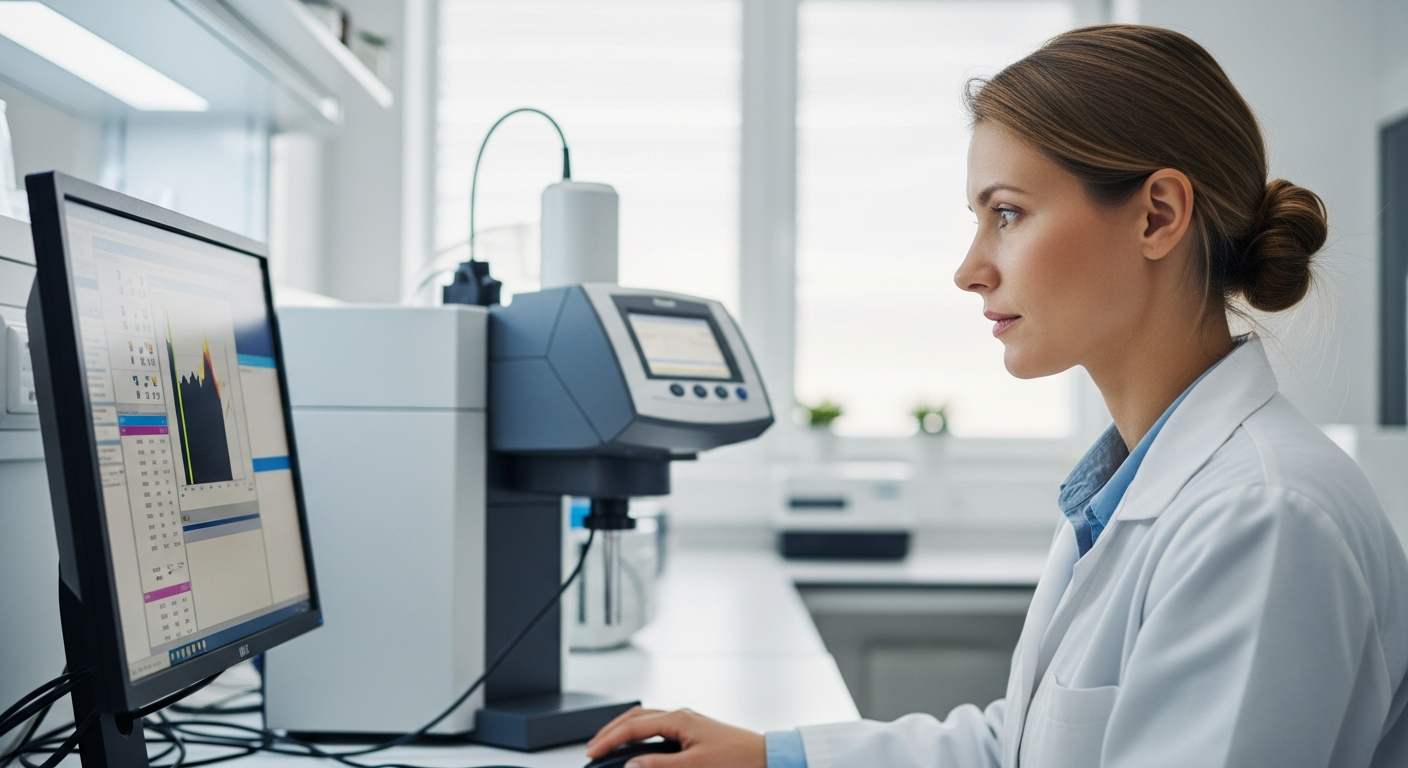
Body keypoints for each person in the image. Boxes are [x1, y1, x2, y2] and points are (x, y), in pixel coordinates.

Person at [584, 23, 1408, 768]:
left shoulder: (1264, 519)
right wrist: (776, 756)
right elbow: (1021, 746)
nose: (970, 268)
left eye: (1007, 214)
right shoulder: (1133, 489)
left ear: (1157, 214)